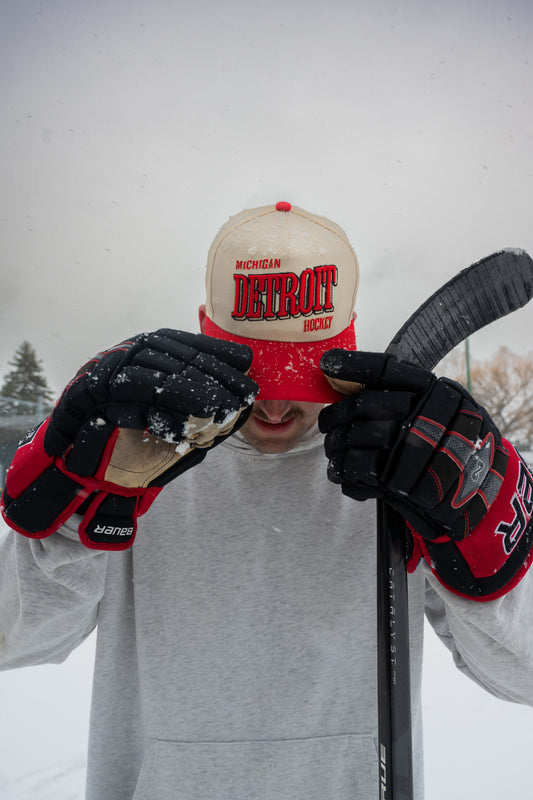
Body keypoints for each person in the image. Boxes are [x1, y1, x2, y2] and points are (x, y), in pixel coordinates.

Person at [1, 201, 532, 800]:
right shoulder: (140, 457)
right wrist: (72, 512)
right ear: (207, 335)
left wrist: (482, 535)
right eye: (259, 382)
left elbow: (521, 678)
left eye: (296, 382)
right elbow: (16, 638)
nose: (276, 410)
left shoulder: (405, 467)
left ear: (345, 340)